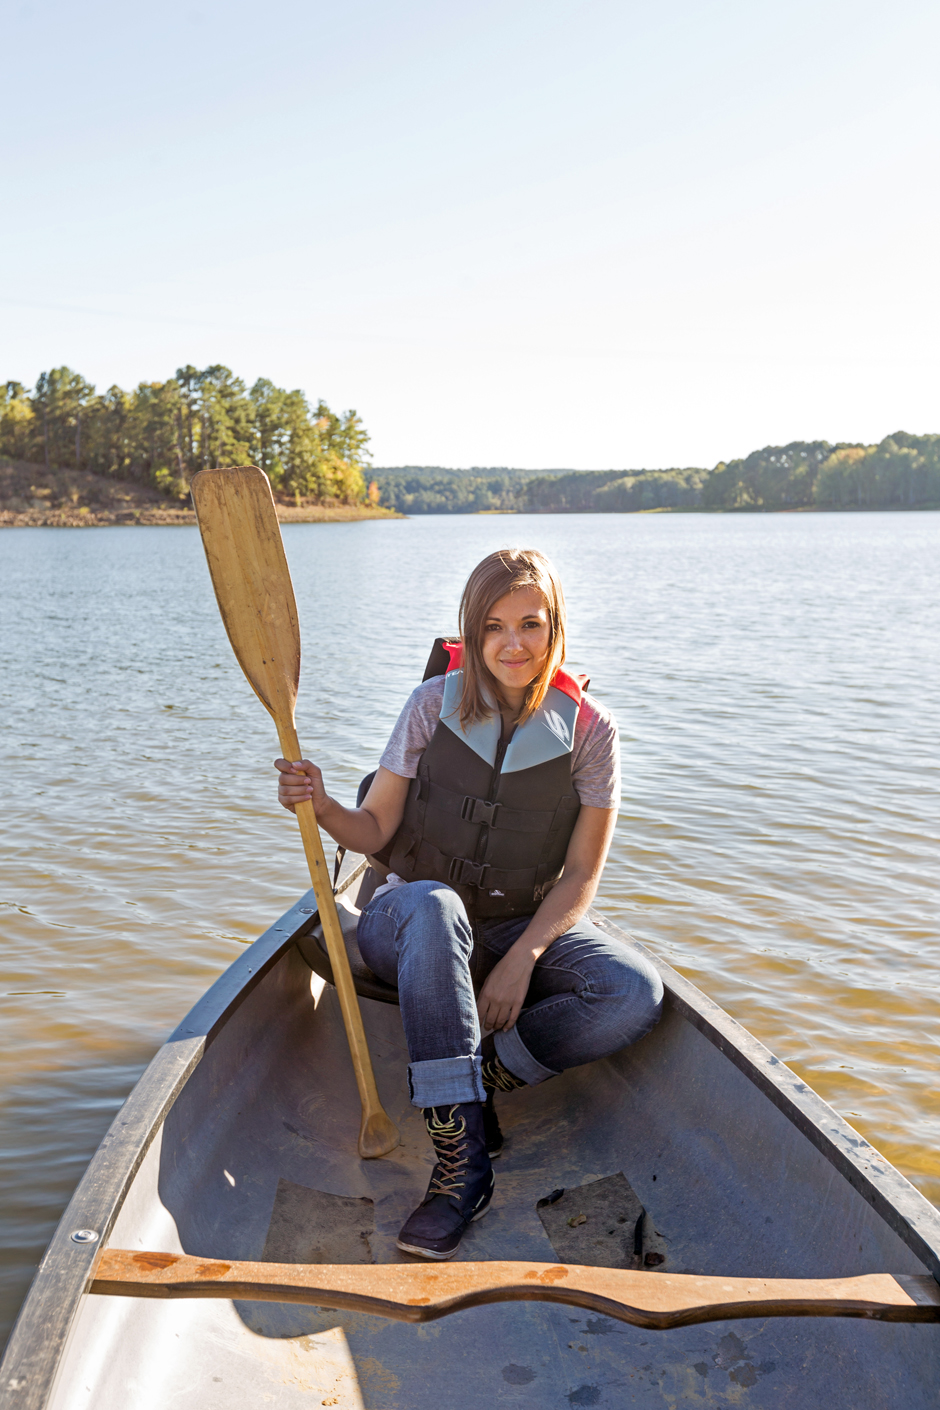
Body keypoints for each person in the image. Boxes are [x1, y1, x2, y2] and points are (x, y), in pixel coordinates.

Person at [275, 547, 663, 1261]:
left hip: (514, 922)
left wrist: (524, 959)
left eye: (530, 625)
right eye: (493, 627)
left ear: (556, 630)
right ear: (472, 632)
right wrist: (322, 802)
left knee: (630, 992)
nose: (512, 644)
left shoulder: (591, 733)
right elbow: (374, 831)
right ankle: (461, 1167)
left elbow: (580, 875)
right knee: (435, 907)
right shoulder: (431, 706)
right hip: (408, 921)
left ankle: (479, 1076)